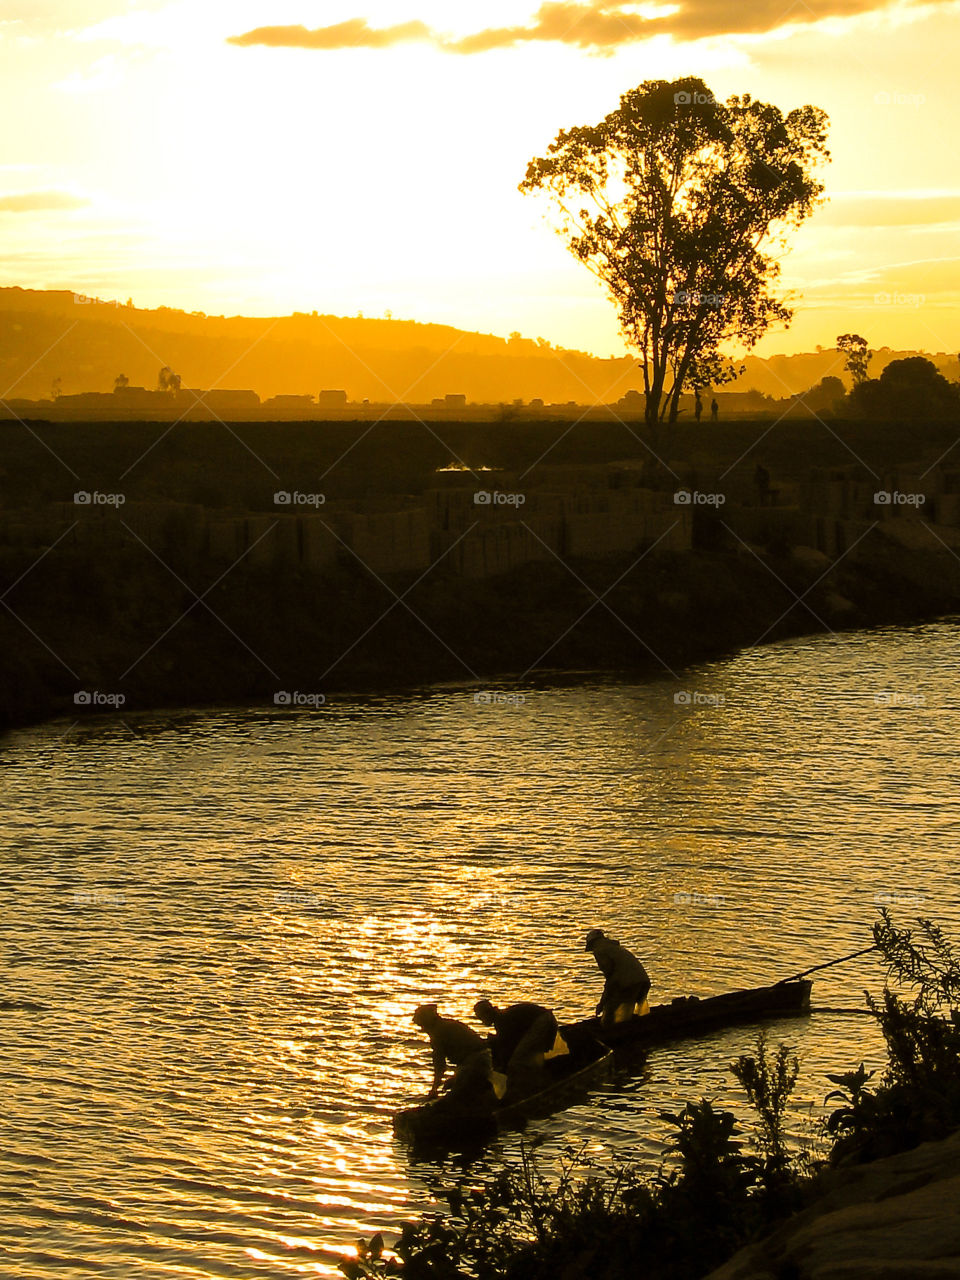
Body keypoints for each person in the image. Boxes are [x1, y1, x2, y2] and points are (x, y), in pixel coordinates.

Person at [412, 1003, 489, 1100]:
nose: (423, 1029)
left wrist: (434, 1089)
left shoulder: (438, 1033)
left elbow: (439, 1065)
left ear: (427, 1022)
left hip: (476, 1064)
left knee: (450, 1101)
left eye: (421, 1025)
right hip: (482, 1060)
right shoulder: (449, 1024)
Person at [585, 929, 651, 1027]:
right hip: (643, 981)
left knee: (609, 1012)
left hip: (628, 983)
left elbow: (611, 978)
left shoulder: (599, 950)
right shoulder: (614, 948)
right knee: (629, 1011)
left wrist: (602, 1004)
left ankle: (610, 1032)